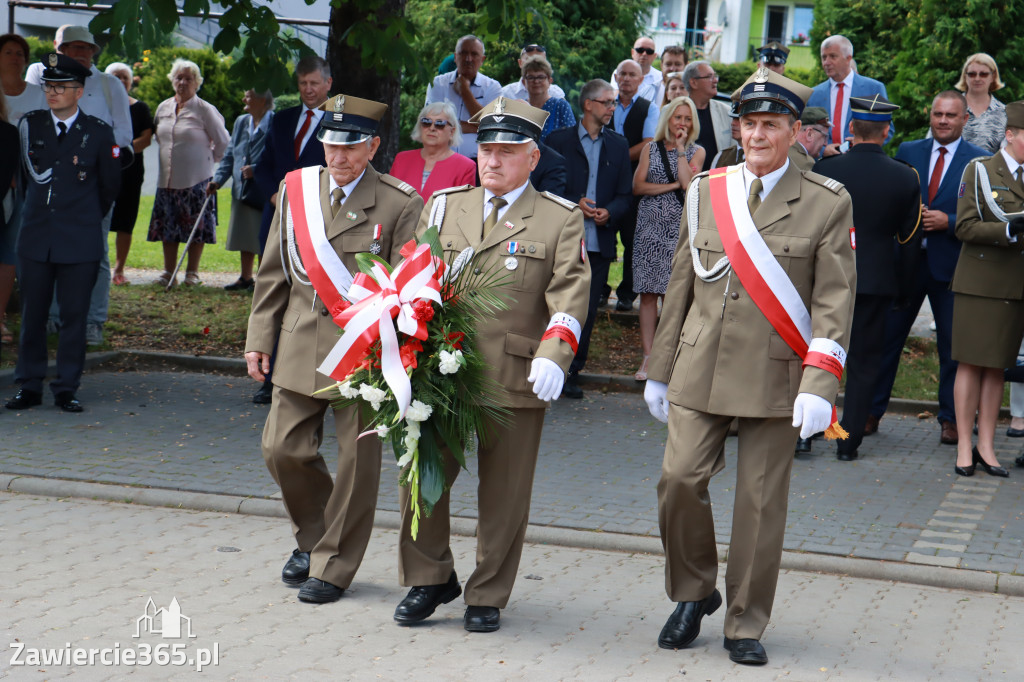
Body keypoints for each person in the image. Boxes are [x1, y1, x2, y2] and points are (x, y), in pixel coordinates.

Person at [643, 66, 855, 665]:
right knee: (678, 481)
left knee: (758, 505)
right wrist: (658, 366)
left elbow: (835, 301)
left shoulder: (827, 203)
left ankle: (744, 621)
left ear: (794, 131)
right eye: (749, 123)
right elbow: (681, 280)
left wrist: (822, 382)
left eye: (771, 124)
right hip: (700, 365)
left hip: (777, 372)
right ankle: (694, 591)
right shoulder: (708, 189)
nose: (757, 135)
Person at [393, 96, 589, 634]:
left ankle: (488, 591)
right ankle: (429, 576)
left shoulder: (558, 218)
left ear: (532, 157)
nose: (493, 161)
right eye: (486, 149)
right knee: (423, 475)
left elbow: (570, 294)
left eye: (507, 151)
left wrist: (556, 354)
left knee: (504, 493)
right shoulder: (445, 206)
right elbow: (413, 277)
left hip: (514, 372)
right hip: (442, 370)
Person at [244, 93, 422, 604]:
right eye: (330, 144)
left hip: (365, 351)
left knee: (356, 466)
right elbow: (273, 272)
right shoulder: (297, 189)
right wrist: (260, 338)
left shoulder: (400, 202)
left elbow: (409, 283)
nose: (337, 156)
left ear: (372, 147)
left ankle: (334, 565)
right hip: (300, 341)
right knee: (281, 449)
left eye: (349, 147)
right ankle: (315, 538)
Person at [869, 91, 987, 444]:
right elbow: (893, 199)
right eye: (937, 114)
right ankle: (871, 412)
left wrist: (948, 221)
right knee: (887, 340)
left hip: (951, 266)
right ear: (930, 115)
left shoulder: (979, 160)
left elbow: (983, 212)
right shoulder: (908, 152)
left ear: (965, 119)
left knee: (952, 347)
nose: (943, 121)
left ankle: (950, 419)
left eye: (951, 115)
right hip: (904, 264)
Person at [6, 54, 120, 413]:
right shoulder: (31, 125)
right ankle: (29, 385)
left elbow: (109, 187)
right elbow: (27, 182)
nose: (52, 93)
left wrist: (82, 218)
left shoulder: (99, 132)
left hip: (79, 239)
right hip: (36, 236)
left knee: (74, 317)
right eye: (49, 86)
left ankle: (66, 386)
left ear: (79, 91)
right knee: (33, 316)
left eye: (61, 87)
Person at [812, 95, 922, 461]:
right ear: (887, 131)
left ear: (850, 129)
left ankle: (806, 432)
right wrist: (904, 290)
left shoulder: (826, 170)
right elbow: (908, 241)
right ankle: (848, 440)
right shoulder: (905, 176)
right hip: (875, 282)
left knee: (818, 354)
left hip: (826, 278)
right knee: (862, 363)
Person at [25, 26, 132, 347]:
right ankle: (55, 318)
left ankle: (93, 321)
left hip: (93, 186)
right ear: (58, 49)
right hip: (48, 185)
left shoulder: (110, 85)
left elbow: (123, 138)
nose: (83, 54)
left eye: (88, 49)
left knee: (94, 255)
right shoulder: (41, 79)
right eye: (74, 48)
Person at [251, 55, 332, 405]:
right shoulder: (282, 119)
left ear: (328, 83)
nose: (308, 90)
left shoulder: (337, 122)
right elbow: (264, 165)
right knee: (272, 298)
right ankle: (268, 381)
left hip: (317, 223)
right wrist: (273, 195)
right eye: (302, 84)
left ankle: (306, 376)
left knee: (307, 302)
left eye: (314, 83)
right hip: (277, 221)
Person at [950, 101, 1024, 478]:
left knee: (997, 368)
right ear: (1009, 135)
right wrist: (1009, 229)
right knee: (971, 362)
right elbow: (964, 226)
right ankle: (965, 444)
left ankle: (987, 446)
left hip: (1016, 287)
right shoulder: (979, 170)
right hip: (981, 284)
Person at [546, 79, 633, 398]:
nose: (613, 107)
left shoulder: (619, 145)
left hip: (599, 243)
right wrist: (574, 202)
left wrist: (610, 211)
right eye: (608, 102)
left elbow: (626, 195)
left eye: (613, 103)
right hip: (562, 239)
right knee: (553, 305)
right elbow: (546, 188)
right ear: (588, 105)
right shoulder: (558, 140)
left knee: (586, 310)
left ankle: (571, 371)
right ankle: (547, 365)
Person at [632, 96, 704, 381]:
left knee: (671, 295)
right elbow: (637, 186)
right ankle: (648, 358)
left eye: (687, 119)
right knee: (648, 294)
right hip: (649, 227)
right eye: (678, 118)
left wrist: (682, 151)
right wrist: (673, 184)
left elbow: (689, 186)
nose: (682, 123)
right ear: (668, 120)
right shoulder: (650, 148)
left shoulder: (698, 151)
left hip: (679, 230)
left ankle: (670, 358)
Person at [147, 59, 228, 288]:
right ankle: (167, 272)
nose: (182, 82)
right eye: (178, 77)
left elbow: (223, 143)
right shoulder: (163, 107)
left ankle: (192, 273)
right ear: (172, 80)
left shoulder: (204, 109)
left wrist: (208, 161)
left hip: (197, 179)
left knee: (196, 228)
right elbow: (159, 137)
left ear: (197, 83)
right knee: (168, 226)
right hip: (167, 179)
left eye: (188, 78)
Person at [209, 88, 274, 291]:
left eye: (249, 95)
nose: (244, 98)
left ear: (263, 100)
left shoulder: (276, 122)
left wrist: (257, 170)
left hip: (264, 189)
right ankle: (245, 277)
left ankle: (263, 280)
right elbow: (230, 154)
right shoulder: (241, 121)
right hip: (241, 188)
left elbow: (280, 155)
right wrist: (218, 180)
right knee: (245, 233)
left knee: (263, 235)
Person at [611, 58, 659, 312]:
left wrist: (615, 159)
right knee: (604, 235)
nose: (627, 79)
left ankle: (627, 293)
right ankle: (599, 289)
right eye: (623, 74)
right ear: (616, 77)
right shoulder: (605, 102)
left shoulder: (649, 108)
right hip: (605, 181)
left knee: (632, 239)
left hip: (633, 180)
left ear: (641, 80)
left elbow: (649, 143)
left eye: (633, 75)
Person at [104, 62, 154, 286]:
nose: (121, 80)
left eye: (125, 76)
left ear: (131, 81)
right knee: (100, 217)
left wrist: (120, 150)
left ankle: (119, 269)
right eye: (116, 76)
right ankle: (98, 264)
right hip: (103, 170)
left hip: (131, 172)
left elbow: (146, 139)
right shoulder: (100, 106)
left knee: (126, 221)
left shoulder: (140, 108)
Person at [807, 35, 892, 152]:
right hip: (825, 164)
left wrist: (863, 145)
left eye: (832, 56)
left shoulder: (873, 88)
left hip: (861, 161)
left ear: (848, 58)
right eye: (824, 57)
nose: (826, 62)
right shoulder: (814, 94)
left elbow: (888, 129)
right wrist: (823, 150)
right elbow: (806, 133)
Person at [424, 35, 502, 160]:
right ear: (455, 57)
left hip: (478, 163)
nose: (468, 59)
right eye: (463, 53)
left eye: (474, 54)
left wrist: (465, 92)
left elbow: (491, 127)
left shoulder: (492, 87)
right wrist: (475, 126)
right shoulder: (437, 84)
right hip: (440, 158)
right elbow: (433, 124)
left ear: (482, 59)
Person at [390, 101, 476, 200]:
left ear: (452, 131)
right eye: (426, 122)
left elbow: (462, 208)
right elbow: (389, 199)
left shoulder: (466, 167)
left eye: (439, 124)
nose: (432, 128)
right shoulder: (402, 159)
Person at [681, 61, 732, 171]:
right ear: (693, 83)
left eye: (715, 76)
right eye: (709, 77)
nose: (715, 80)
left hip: (718, 179)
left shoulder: (726, 112)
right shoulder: (674, 112)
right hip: (684, 181)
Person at [954, 53, 1007, 154]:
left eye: (983, 74)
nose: (977, 78)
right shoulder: (949, 108)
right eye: (972, 74)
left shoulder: (1004, 113)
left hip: (991, 169)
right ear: (965, 76)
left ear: (993, 76)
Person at [520, 55, 575, 142]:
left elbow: (572, 140)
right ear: (524, 82)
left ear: (550, 81)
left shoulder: (561, 107)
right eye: (531, 77)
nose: (536, 81)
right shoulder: (520, 108)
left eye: (541, 77)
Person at [1, 33, 46, 122]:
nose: (14, 58)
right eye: (8, 53)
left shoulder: (41, 95)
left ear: (26, 61)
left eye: (19, 54)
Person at [498, 44, 565, 101]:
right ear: (520, 63)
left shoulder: (555, 93)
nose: (534, 64)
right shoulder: (506, 94)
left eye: (540, 61)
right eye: (528, 60)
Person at [788, 107, 830, 171]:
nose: (825, 143)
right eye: (824, 136)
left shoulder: (780, 150)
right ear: (809, 134)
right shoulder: (805, 163)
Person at [711, 101, 743, 168]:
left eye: (738, 120)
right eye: (733, 118)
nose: (733, 123)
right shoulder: (722, 156)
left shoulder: (763, 158)